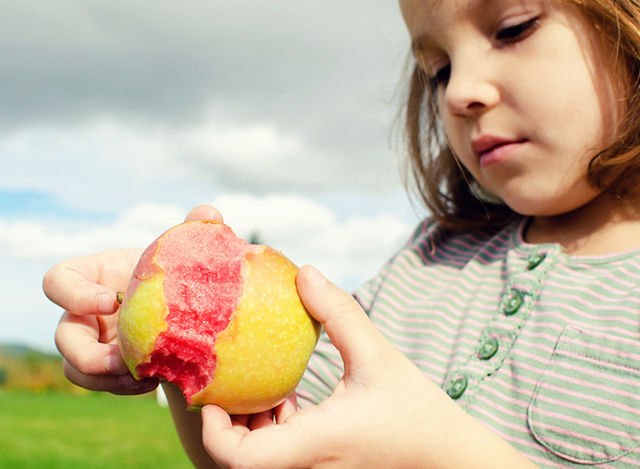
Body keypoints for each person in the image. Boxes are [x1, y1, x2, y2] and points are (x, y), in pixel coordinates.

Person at [42, 0, 640, 467]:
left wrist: (437, 456)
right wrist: (181, 335)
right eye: (438, 70)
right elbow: (266, 449)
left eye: (513, 28)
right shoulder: (428, 262)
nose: (459, 92)